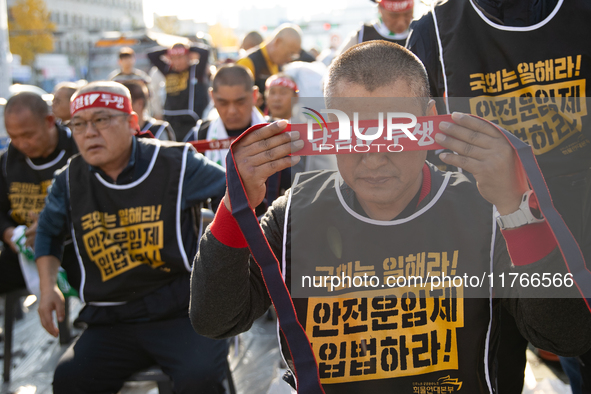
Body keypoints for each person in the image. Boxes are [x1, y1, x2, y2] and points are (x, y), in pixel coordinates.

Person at [190, 41, 591, 392]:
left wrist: (517, 211)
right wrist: (233, 207)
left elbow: (565, 335)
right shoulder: (295, 213)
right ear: (329, 127)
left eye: (396, 131)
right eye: (354, 134)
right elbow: (214, 319)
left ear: (431, 121)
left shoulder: (485, 209)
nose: (375, 156)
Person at [406, 1, 591, 392]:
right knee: (488, 378)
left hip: (581, 233)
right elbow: (407, 147)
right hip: (487, 245)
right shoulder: (434, 31)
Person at [34, 81, 228, 393]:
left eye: (102, 120)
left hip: (183, 310)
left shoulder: (175, 163)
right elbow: (47, 231)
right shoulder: (70, 179)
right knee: (70, 380)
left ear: (132, 123)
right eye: (79, 124)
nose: (89, 133)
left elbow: (236, 196)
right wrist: (47, 289)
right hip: (110, 317)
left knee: (199, 378)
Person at [0, 92, 79, 295]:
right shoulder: (7, 161)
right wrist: (8, 233)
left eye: (28, 135)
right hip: (24, 250)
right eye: (13, 137)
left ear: (50, 121)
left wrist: (51, 229)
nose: (22, 144)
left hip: (74, 250)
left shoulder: (78, 151)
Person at [194, 64, 266, 167]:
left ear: (254, 95)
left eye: (240, 102)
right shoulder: (200, 135)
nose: (232, 111)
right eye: (223, 103)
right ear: (212, 97)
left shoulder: (277, 134)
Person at [147, 42, 211, 142]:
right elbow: (151, 55)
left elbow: (205, 52)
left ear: (188, 57)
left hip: (191, 121)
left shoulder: (196, 70)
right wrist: (169, 50)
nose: (177, 62)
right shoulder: (167, 70)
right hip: (171, 119)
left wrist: (188, 48)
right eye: (173, 58)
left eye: (180, 57)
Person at [236, 24, 302, 108]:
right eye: (290, 53)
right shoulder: (248, 62)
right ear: (278, 42)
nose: (290, 59)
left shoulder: (277, 64)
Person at [337, 0, 414, 56]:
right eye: (394, 16)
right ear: (380, 9)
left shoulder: (419, 33)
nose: (401, 22)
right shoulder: (362, 36)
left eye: (407, 14)